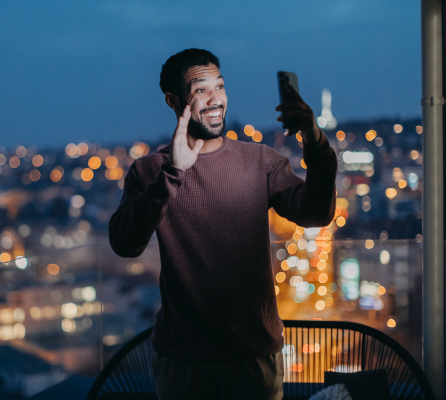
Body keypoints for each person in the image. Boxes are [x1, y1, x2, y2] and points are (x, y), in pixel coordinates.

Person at [108, 48, 337, 400]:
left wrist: (313, 137)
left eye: (220, 86)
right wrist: (172, 173)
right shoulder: (150, 171)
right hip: (183, 363)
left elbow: (317, 213)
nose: (216, 99)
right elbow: (125, 244)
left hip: (254, 358)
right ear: (173, 100)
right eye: (201, 90)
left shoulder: (260, 161)